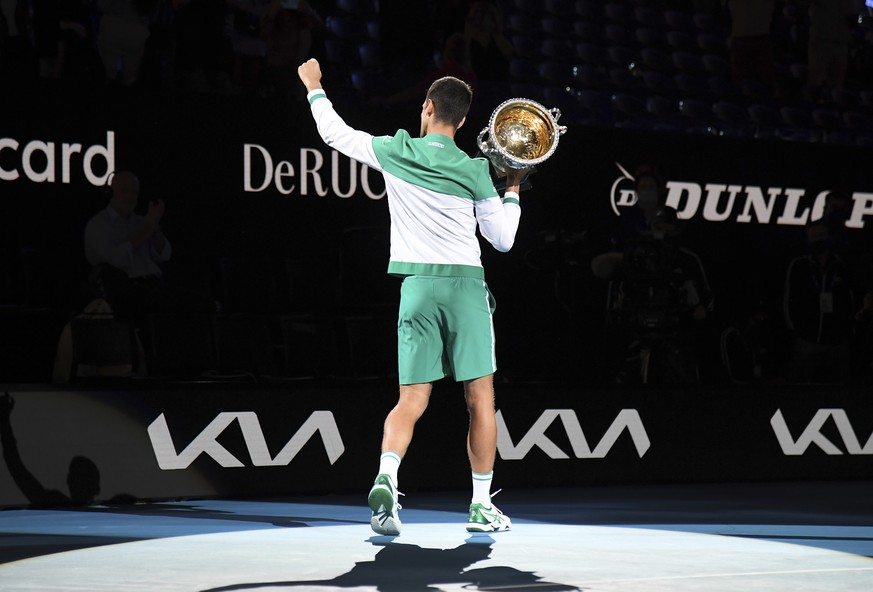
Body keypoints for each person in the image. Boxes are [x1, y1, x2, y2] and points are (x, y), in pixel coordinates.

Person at [297, 57, 529, 535]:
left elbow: (335, 134)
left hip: (417, 288)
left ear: (427, 108)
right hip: (465, 289)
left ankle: (386, 478)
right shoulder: (474, 170)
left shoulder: (396, 150)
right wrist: (513, 188)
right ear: (463, 121)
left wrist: (315, 86)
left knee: (410, 400)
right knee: (480, 400)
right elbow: (503, 240)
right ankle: (481, 505)